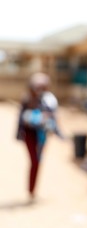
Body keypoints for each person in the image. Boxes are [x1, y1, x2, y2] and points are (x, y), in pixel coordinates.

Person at [16, 72, 62, 200]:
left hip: (42, 135)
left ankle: (33, 190)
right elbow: (20, 119)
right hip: (29, 134)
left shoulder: (48, 100)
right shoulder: (27, 99)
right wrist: (18, 134)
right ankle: (31, 190)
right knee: (34, 161)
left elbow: (54, 118)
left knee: (38, 161)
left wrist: (59, 133)